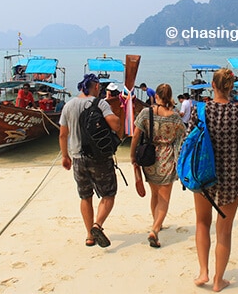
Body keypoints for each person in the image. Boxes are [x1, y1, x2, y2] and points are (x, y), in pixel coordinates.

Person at [188, 68, 238, 292]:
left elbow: (189, 142)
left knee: (202, 223)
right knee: (224, 231)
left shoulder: (200, 110)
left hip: (203, 176)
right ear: (231, 87)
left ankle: (203, 271)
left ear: (212, 85)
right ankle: (218, 280)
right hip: (230, 177)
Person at [59, 73, 120, 248]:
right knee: (108, 194)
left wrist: (65, 156)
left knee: (85, 197)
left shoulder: (68, 105)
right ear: (94, 87)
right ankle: (97, 225)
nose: (100, 89)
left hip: (78, 158)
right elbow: (114, 125)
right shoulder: (100, 103)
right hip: (99, 158)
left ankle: (89, 236)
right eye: (99, 87)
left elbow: (63, 134)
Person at [130, 84, 185, 248]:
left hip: (149, 158)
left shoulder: (146, 113)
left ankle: (156, 223)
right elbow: (183, 137)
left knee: (155, 194)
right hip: (167, 158)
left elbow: (135, 136)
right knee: (164, 198)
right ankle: (155, 229)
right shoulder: (174, 117)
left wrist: (133, 156)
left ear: (157, 96)